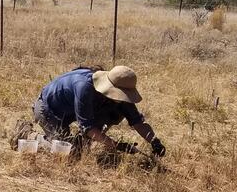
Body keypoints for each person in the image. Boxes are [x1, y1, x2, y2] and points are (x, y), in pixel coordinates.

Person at [30, 65, 166, 157]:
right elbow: (87, 127)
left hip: (71, 111)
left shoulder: (121, 97)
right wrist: (116, 145)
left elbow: (138, 123)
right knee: (67, 151)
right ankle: (31, 136)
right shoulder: (84, 88)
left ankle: (81, 142)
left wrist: (154, 141)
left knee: (81, 148)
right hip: (48, 109)